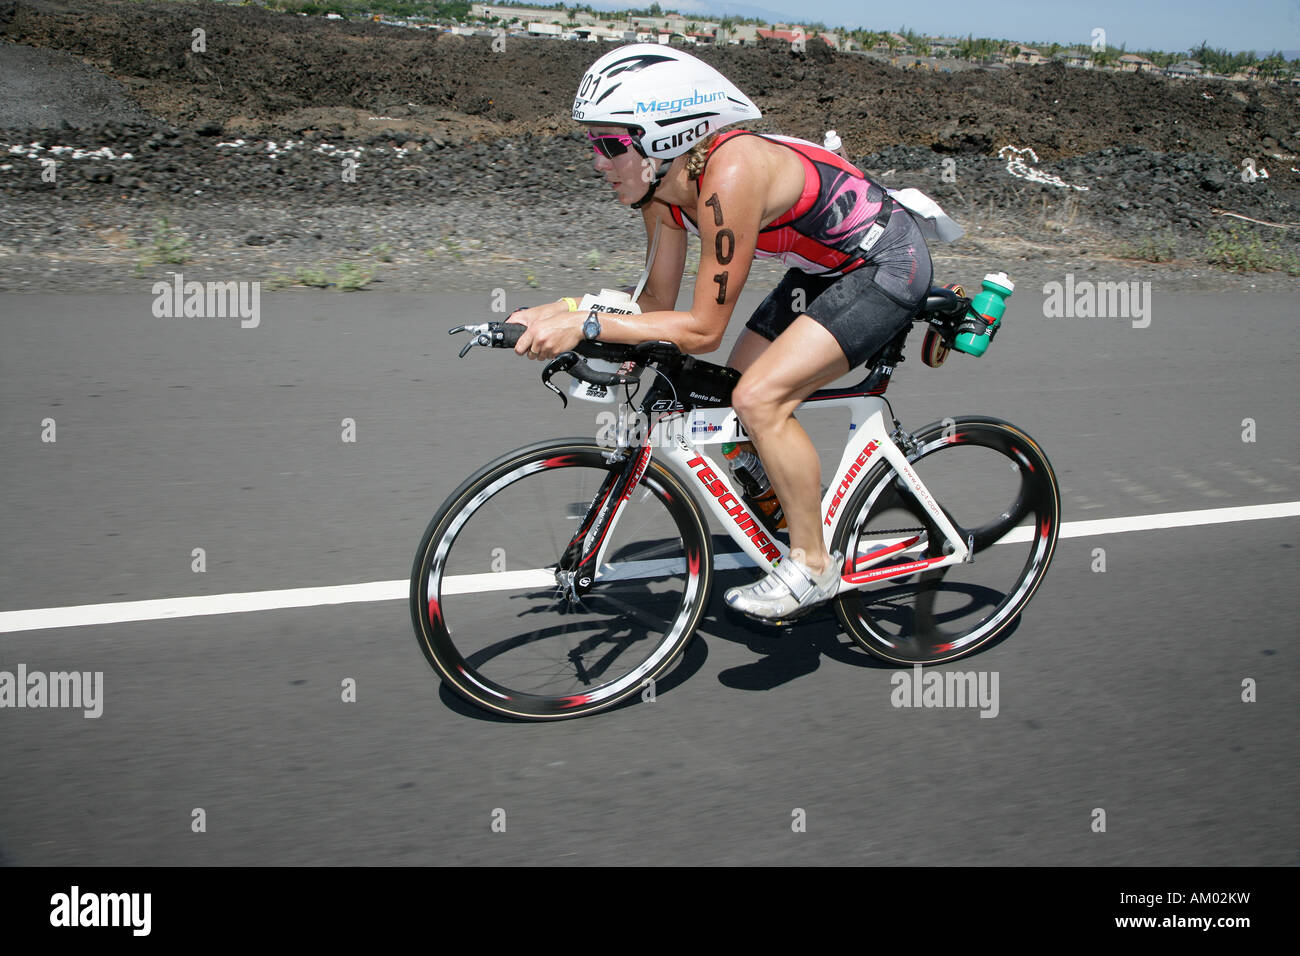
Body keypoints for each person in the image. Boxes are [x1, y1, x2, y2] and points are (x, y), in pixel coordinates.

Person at [510, 44, 934, 621]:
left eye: (611, 145)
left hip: (885, 263)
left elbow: (704, 328)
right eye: (594, 145)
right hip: (822, 270)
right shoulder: (659, 190)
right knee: (724, 389)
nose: (598, 163)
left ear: (664, 138)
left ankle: (813, 565)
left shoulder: (730, 174)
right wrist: (554, 309)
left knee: (761, 399)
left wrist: (583, 324)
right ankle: (779, 494)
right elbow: (655, 305)